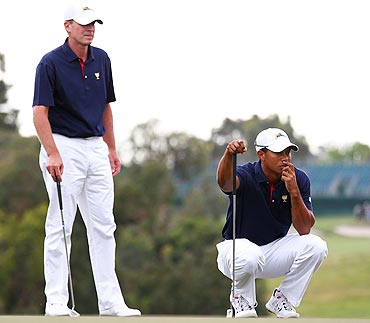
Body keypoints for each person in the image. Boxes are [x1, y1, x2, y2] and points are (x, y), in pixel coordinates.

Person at [32, 3, 141, 317]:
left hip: (96, 148)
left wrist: (111, 148)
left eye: (93, 23)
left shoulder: (102, 59)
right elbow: (40, 112)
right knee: (61, 225)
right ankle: (55, 301)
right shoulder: (50, 63)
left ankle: (110, 302)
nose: (89, 28)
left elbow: (106, 106)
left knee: (104, 226)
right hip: (63, 146)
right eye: (83, 23)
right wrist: (52, 152)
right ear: (67, 26)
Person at [216, 128, 328, 318]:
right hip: (235, 251)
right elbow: (225, 183)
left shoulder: (298, 179)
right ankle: (241, 300)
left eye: (287, 152)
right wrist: (228, 154)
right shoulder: (246, 174)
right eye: (278, 153)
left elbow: (304, 228)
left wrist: (294, 192)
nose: (285, 158)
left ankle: (282, 299)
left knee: (317, 246)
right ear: (262, 154)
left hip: (272, 252)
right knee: (249, 255)